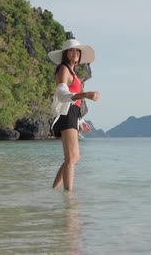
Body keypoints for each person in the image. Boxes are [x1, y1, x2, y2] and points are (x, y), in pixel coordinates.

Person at [48, 38, 100, 191]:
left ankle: (55, 190)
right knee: (71, 158)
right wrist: (86, 95)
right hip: (66, 115)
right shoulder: (63, 69)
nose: (75, 53)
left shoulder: (73, 72)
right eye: (71, 50)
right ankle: (68, 196)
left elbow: (72, 102)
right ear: (65, 54)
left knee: (74, 158)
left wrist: (80, 121)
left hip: (73, 114)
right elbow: (62, 95)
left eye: (78, 50)